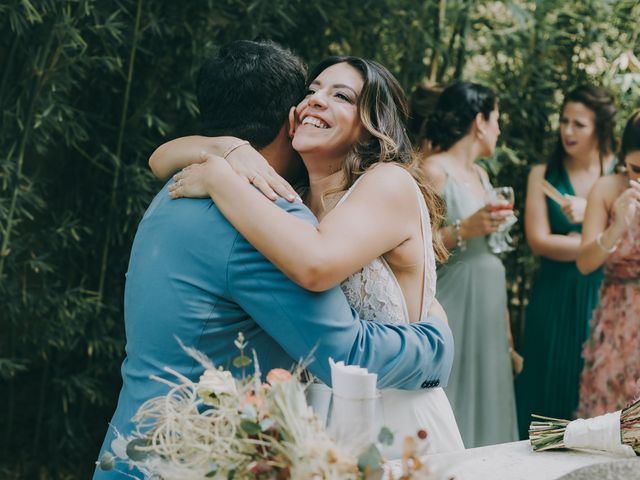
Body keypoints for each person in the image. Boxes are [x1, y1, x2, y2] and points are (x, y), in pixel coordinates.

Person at [94, 42, 455, 479]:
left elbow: (319, 268)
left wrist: (220, 170)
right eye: (313, 91)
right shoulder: (270, 206)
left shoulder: (187, 192)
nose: (318, 100)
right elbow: (342, 344)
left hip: (387, 421)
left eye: (341, 95)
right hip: (194, 453)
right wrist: (435, 344)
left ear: (370, 126)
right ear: (290, 119)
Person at [419, 81, 519, 448]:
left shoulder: (482, 176)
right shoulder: (432, 170)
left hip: (490, 300)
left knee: (490, 386)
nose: (498, 129)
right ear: (479, 121)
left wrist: (508, 334)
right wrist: (464, 229)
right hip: (456, 295)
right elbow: (412, 247)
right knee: (456, 385)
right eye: (495, 120)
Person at [516, 85, 617, 437]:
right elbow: (540, 241)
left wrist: (587, 221)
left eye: (579, 124)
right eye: (564, 121)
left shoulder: (622, 174)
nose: (567, 131)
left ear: (600, 129)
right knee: (547, 387)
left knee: (598, 392)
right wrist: (598, 241)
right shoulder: (541, 174)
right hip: (555, 294)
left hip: (606, 295)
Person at [575, 110, 640, 417]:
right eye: (636, 168)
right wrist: (618, 227)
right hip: (617, 319)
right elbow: (585, 263)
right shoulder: (606, 189)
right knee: (613, 412)